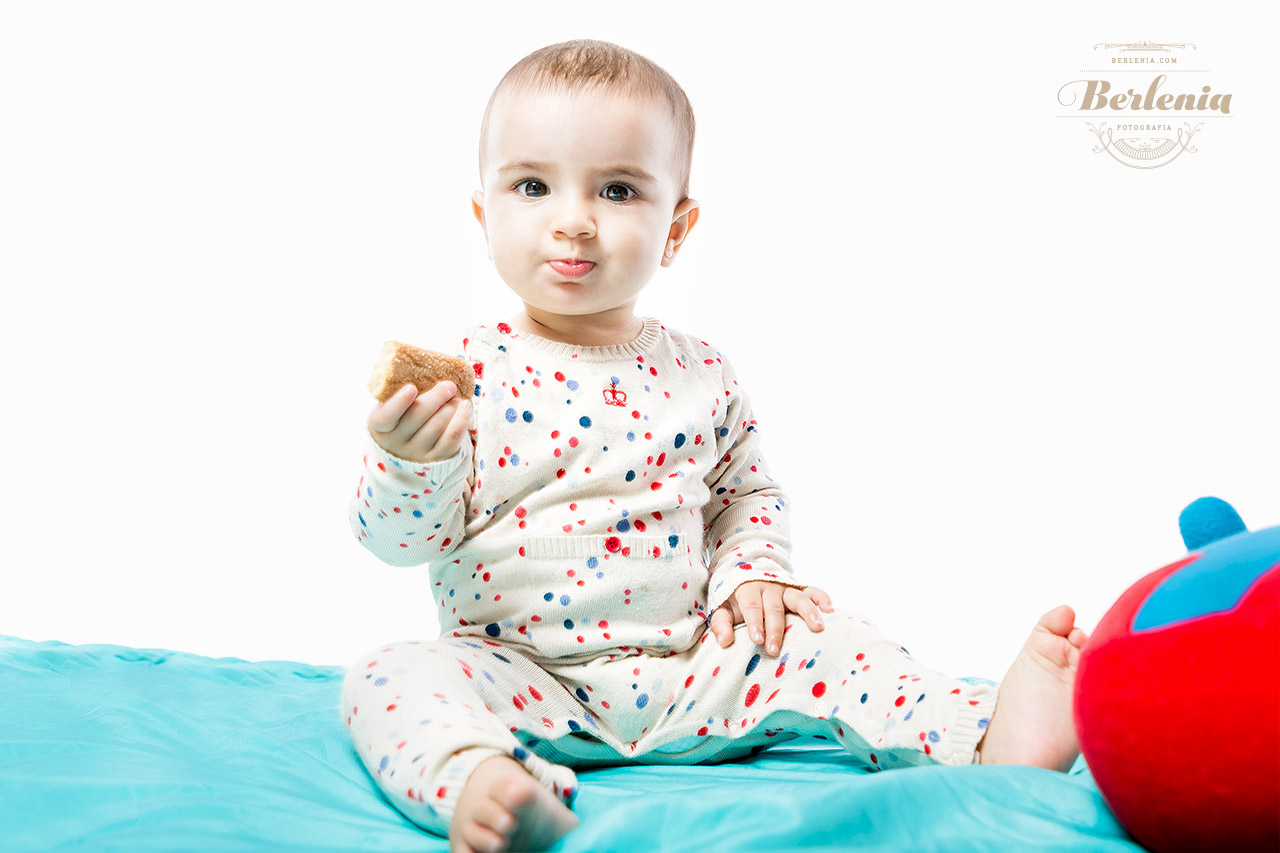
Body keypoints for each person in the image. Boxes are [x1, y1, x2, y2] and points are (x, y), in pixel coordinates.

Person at [341, 38, 1089, 853]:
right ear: (485, 216)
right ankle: (486, 778)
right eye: (532, 185)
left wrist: (753, 573)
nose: (574, 219)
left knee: (837, 640)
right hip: (521, 673)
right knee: (387, 673)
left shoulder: (702, 372)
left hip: (695, 665)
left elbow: (746, 496)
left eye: (618, 189)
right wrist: (411, 462)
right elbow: (401, 541)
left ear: (676, 228)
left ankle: (984, 734)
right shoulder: (466, 378)